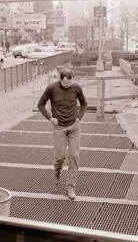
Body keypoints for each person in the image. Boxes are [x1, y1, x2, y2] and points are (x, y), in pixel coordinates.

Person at [37, 68, 87, 200]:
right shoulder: (51, 88)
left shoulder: (76, 88)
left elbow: (84, 104)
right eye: (65, 84)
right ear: (60, 80)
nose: (67, 86)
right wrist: (50, 118)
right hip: (59, 127)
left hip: (74, 127)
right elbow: (40, 105)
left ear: (72, 80)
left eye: (69, 84)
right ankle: (57, 171)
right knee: (60, 157)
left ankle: (71, 187)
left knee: (74, 156)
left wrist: (79, 118)